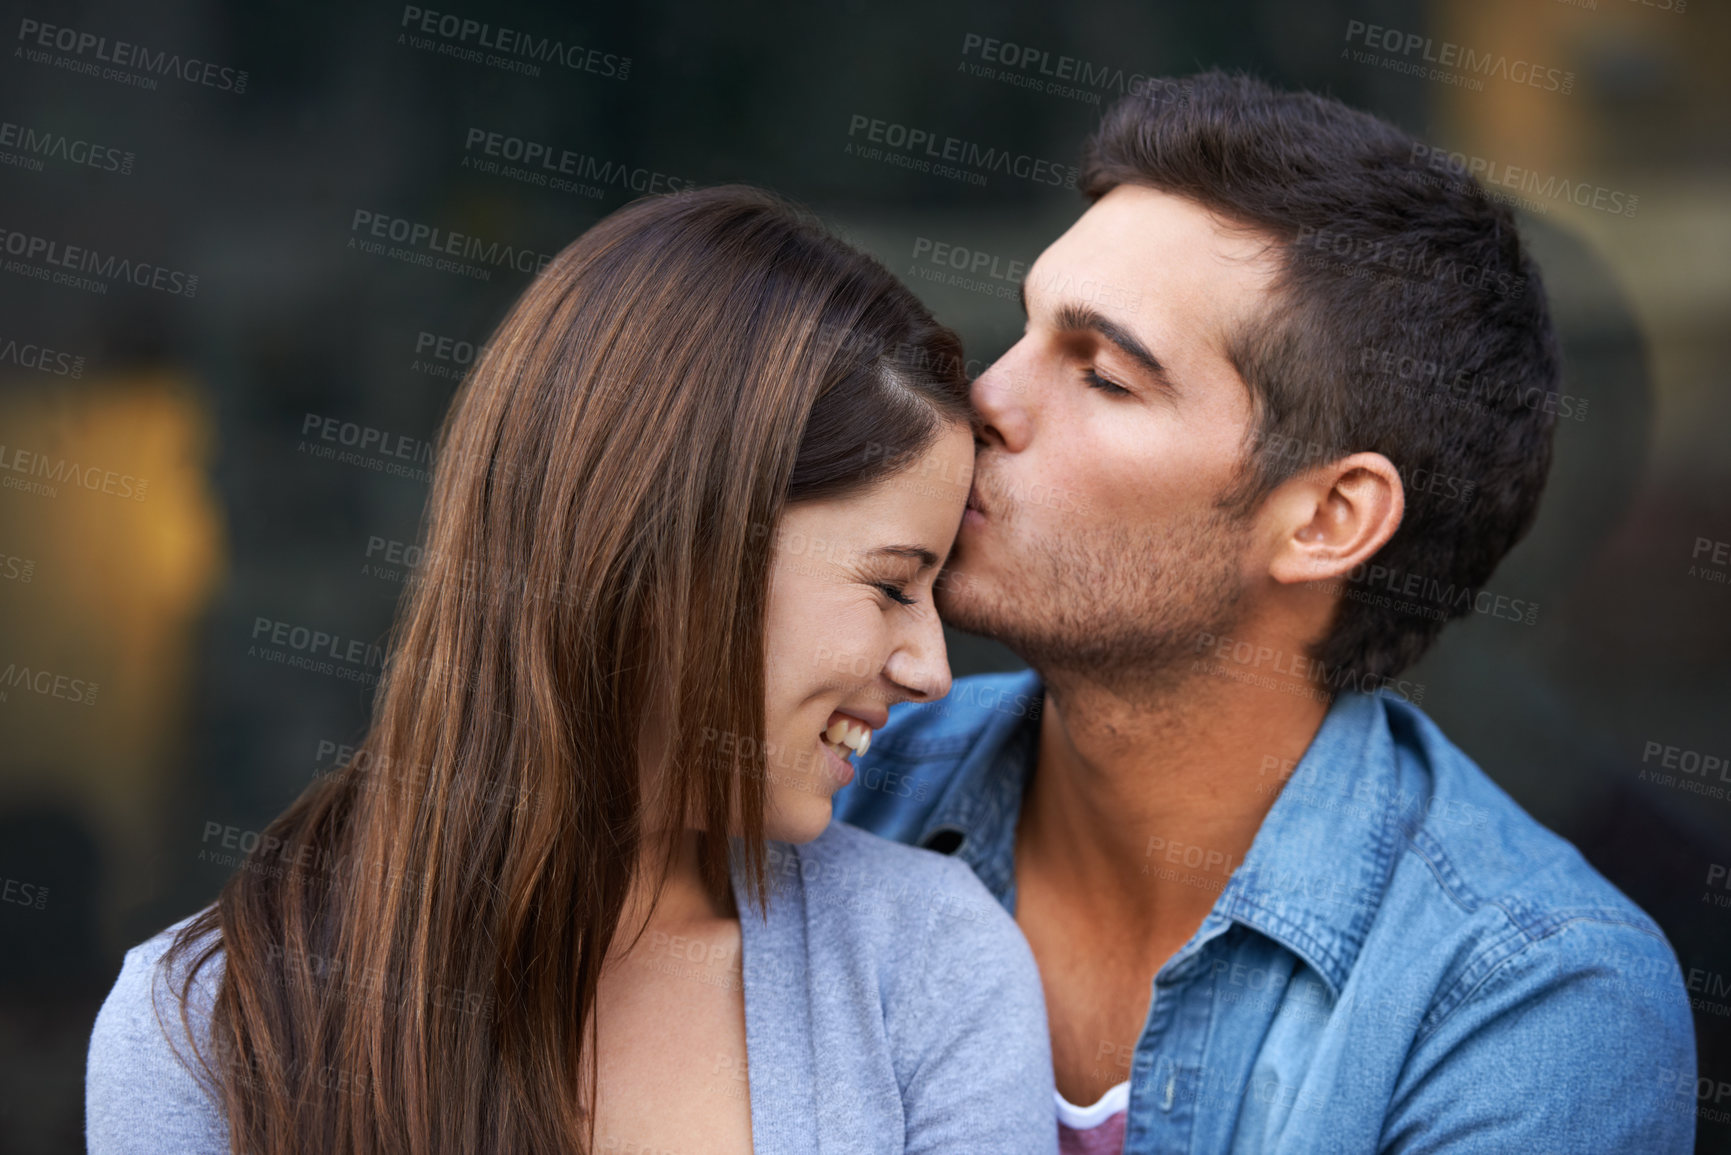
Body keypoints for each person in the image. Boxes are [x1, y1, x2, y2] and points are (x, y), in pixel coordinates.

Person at [86, 185, 1058, 1155]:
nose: (930, 668)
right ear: (678, 551)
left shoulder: (927, 968)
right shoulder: (206, 1030)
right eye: (893, 587)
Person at [836, 71, 1697, 1153]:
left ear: (1330, 519)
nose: (986, 403)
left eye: (1101, 375)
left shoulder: (1532, 1001)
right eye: (1024, 332)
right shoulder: (832, 790)